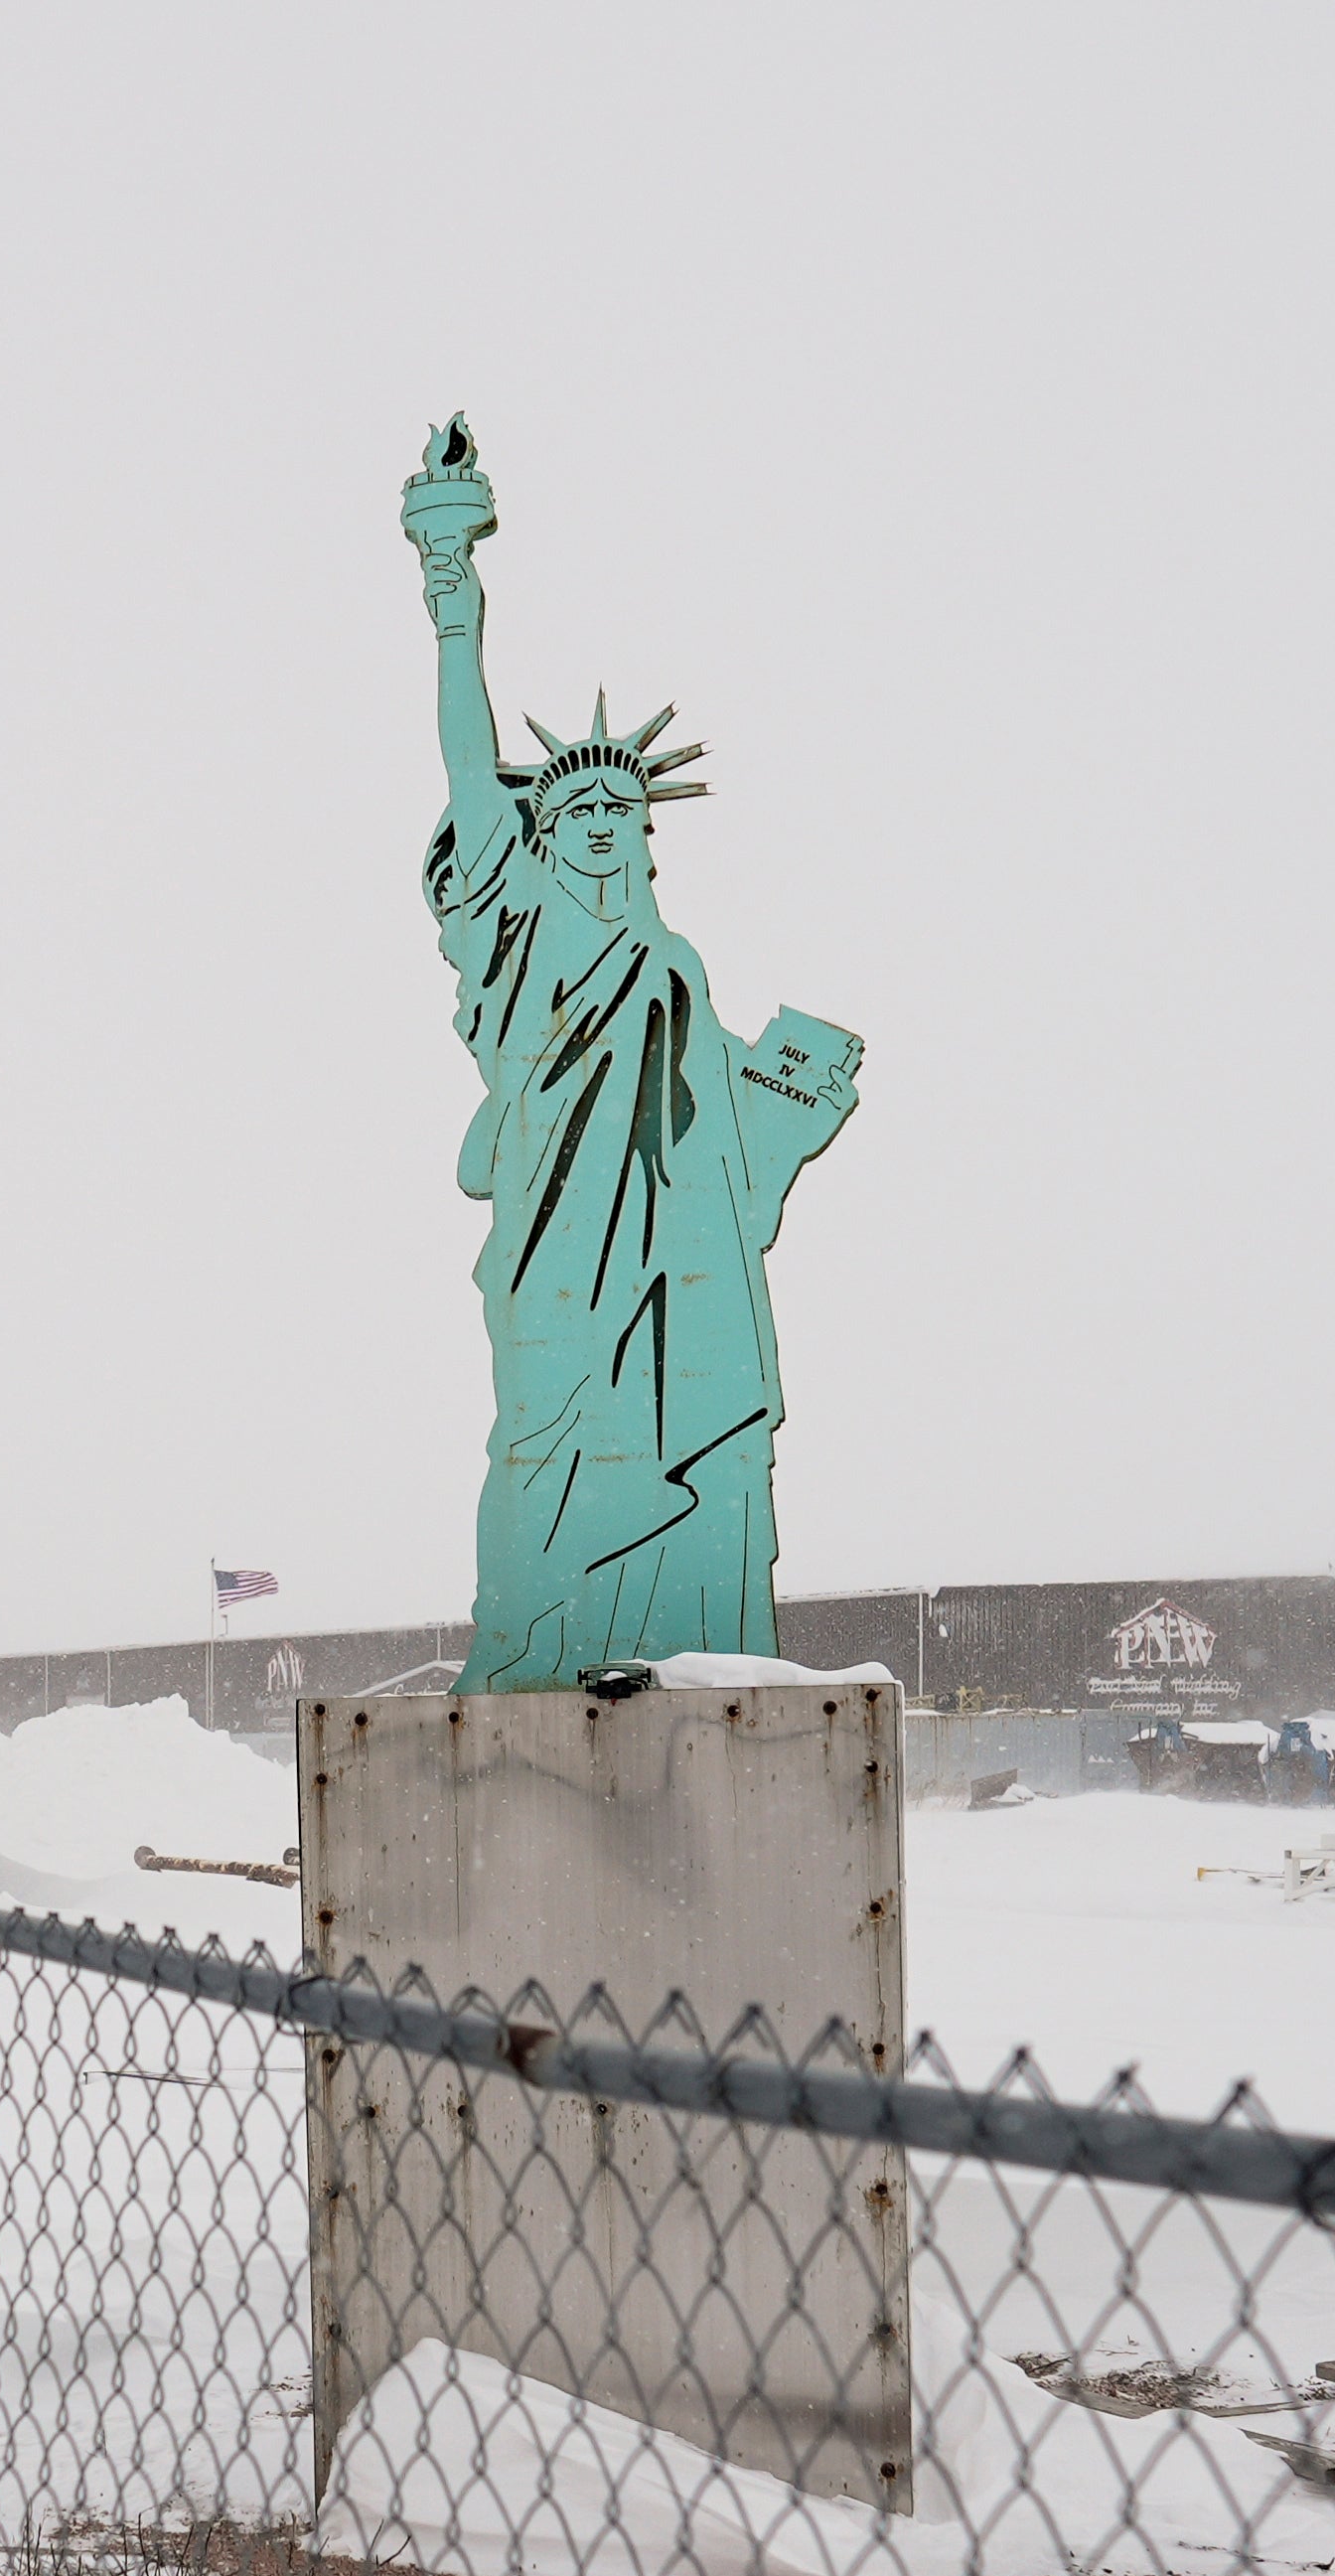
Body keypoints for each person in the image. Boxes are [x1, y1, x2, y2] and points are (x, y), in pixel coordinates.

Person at [401, 418, 862, 1691]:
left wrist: (794, 1102)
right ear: (539, 835)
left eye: (621, 806)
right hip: (559, 1248)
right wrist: (451, 588)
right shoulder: (520, 929)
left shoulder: (676, 965)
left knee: (689, 1450)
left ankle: (690, 1655)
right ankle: (530, 1650)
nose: (602, 822)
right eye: (576, 808)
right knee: (549, 1445)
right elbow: (466, 762)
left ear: (647, 831)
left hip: (679, 1264)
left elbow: (716, 1130)